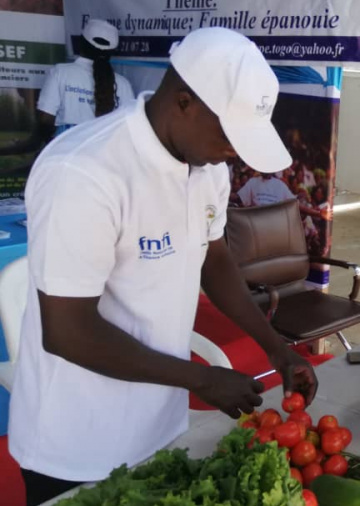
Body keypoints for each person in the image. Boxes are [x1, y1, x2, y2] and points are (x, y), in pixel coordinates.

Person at [9, 28, 319, 506]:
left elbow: (212, 259)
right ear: (183, 101)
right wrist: (201, 378)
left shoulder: (208, 167)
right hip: (77, 445)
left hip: (159, 426)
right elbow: (67, 331)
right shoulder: (85, 173)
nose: (235, 152)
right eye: (230, 134)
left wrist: (276, 348)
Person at [0, 19, 134, 157]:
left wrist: (53, 147)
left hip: (65, 156)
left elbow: (45, 119)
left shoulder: (61, 73)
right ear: (112, 51)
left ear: (81, 43)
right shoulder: (124, 85)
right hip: (105, 160)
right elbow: (128, 131)